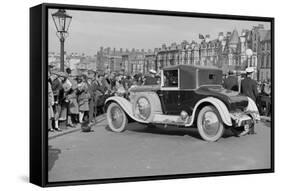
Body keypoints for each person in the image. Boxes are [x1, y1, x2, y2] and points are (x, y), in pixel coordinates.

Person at [240, 67, 258, 134]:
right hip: (252, 100)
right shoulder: (253, 82)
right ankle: (251, 131)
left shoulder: (242, 81)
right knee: (252, 114)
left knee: (244, 114)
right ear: (251, 74)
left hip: (244, 99)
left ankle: (243, 129)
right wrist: (257, 99)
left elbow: (241, 91)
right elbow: (256, 92)